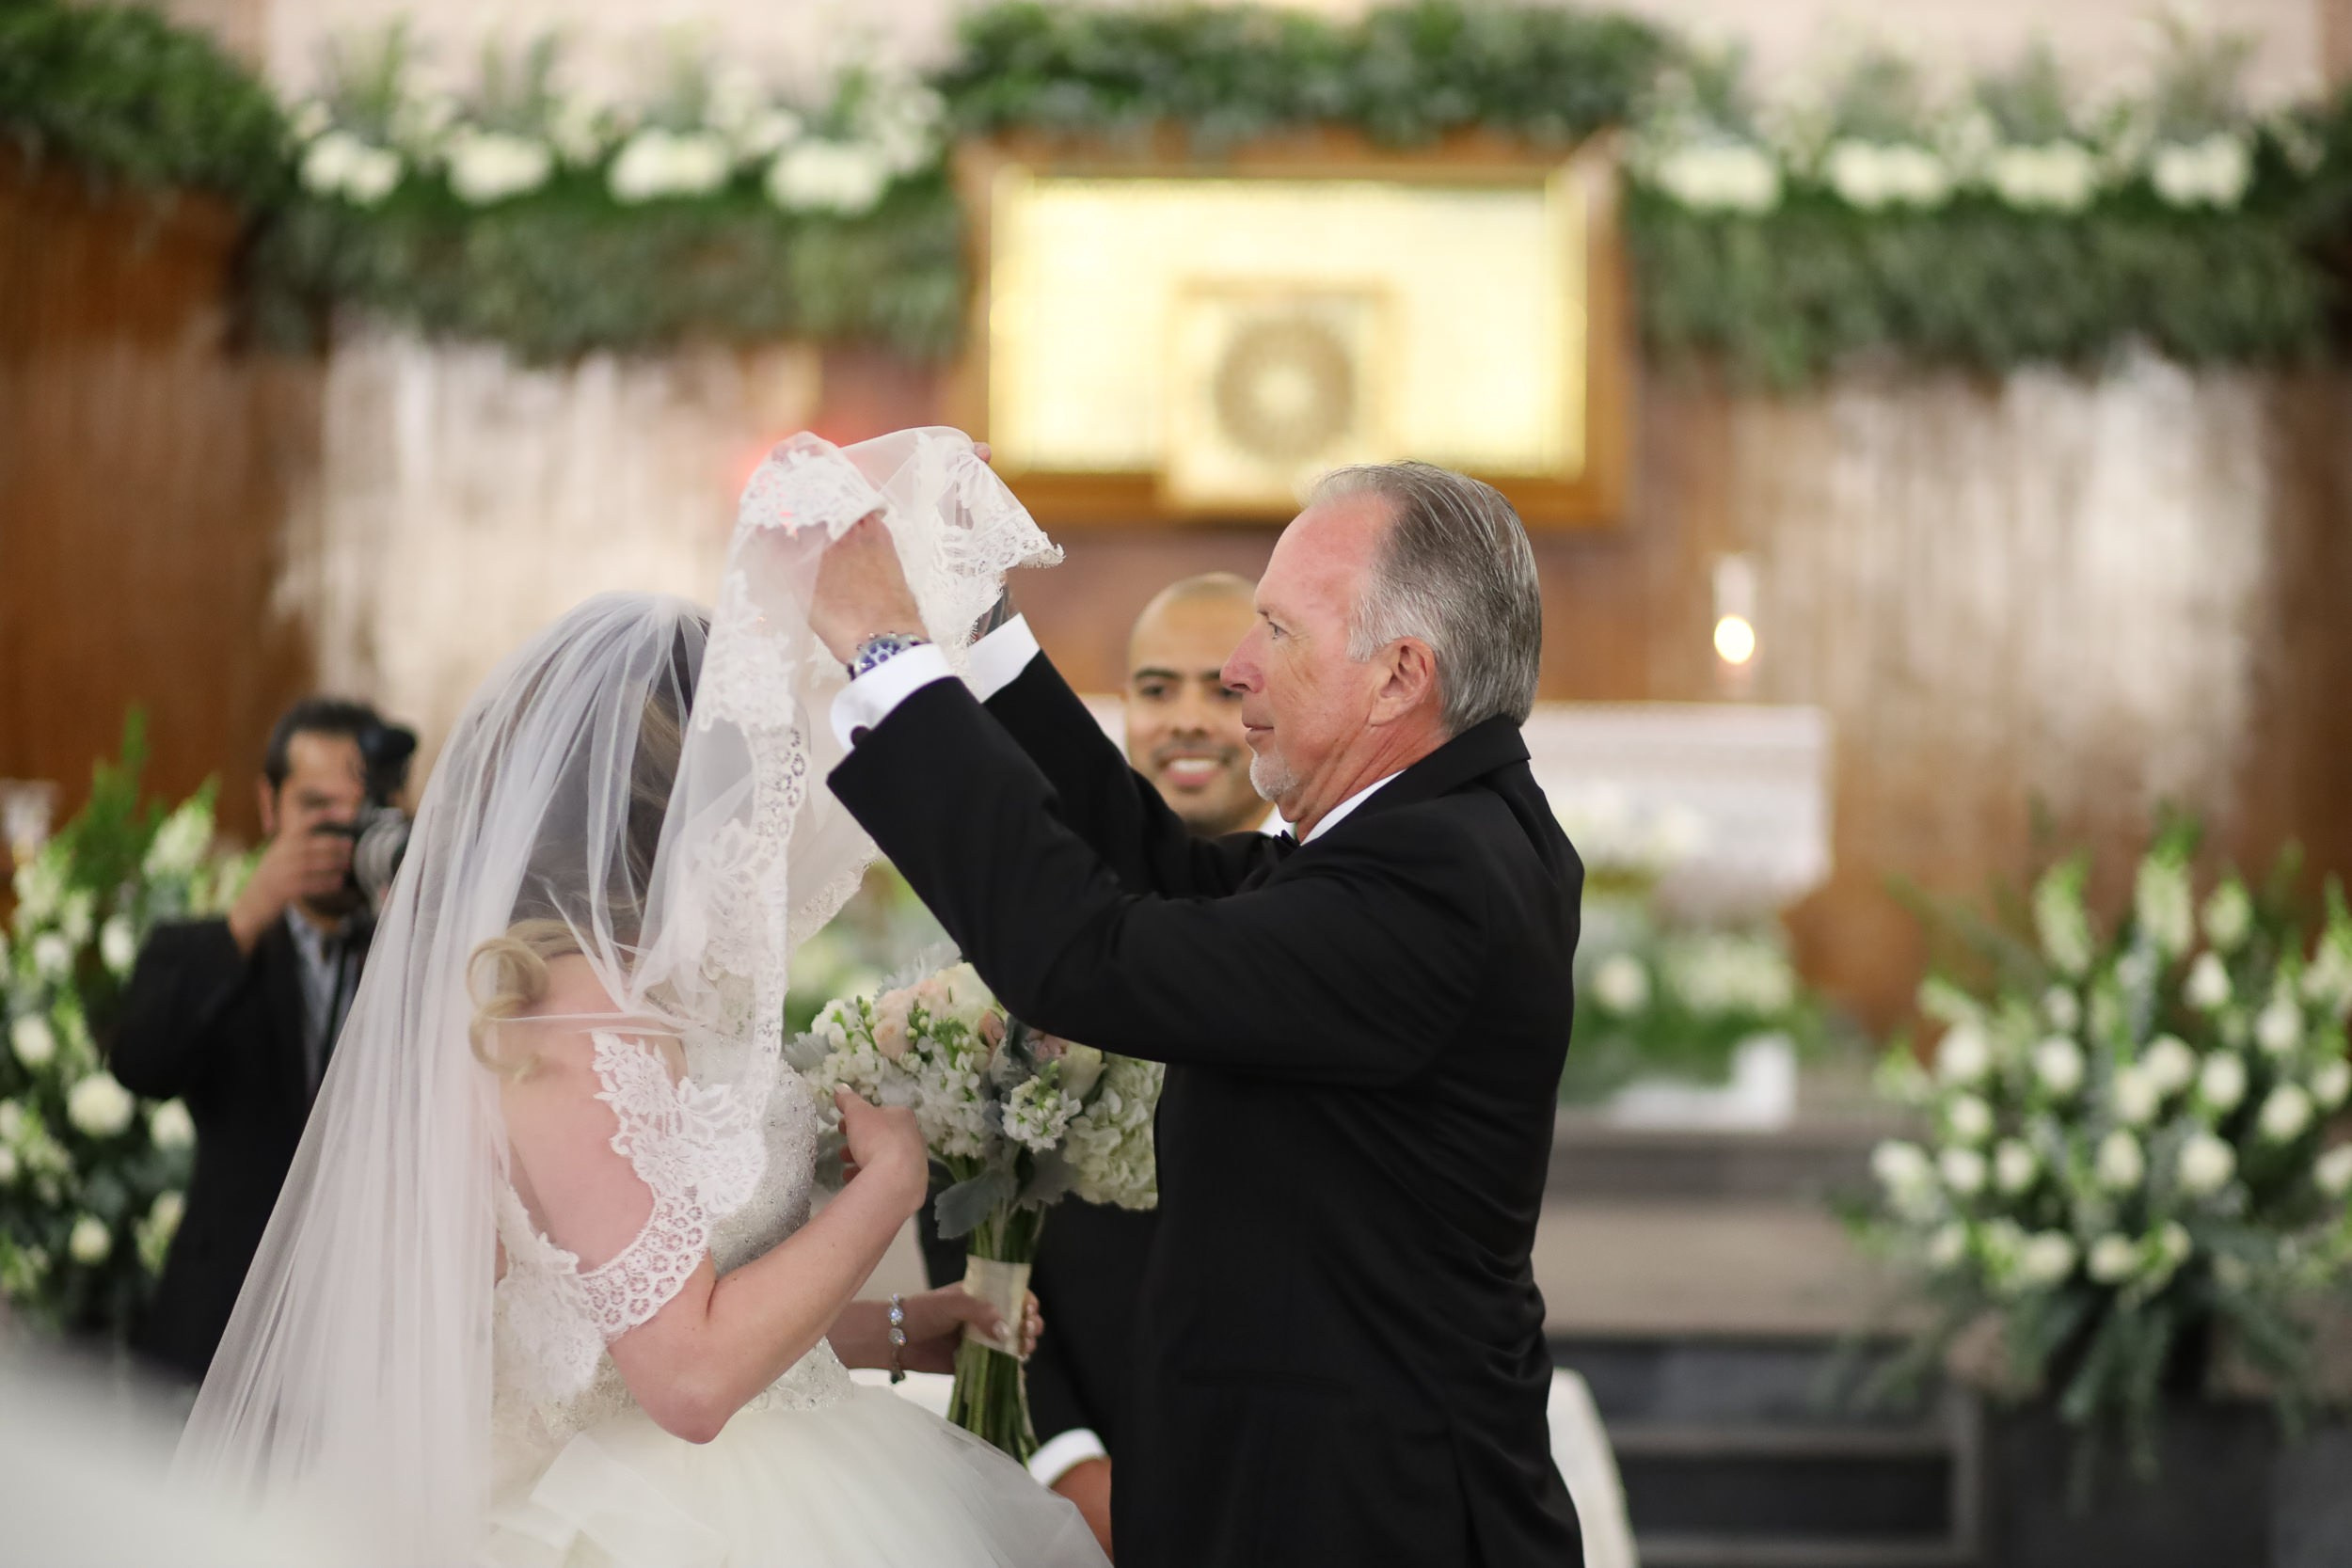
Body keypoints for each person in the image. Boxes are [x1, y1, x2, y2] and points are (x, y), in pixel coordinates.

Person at [176, 429, 1104, 1568]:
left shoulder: (655, 998)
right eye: (747, 788)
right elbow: (687, 1374)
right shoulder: (562, 1022)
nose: (764, 828)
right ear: (675, 811)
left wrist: (916, 1324)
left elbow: (653, 1308)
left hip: (749, 1472)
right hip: (619, 1520)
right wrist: (892, 1183)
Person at [814, 453, 1586, 1566]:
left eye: (1276, 631)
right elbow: (1156, 871)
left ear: (1397, 674)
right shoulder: (1437, 827)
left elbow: (1086, 956)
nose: (1236, 670)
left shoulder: (1435, 878)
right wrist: (976, 620)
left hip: (1363, 1513)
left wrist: (889, 659)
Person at [916, 571, 1263, 1556]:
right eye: (1156, 689)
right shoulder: (1040, 921)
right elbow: (963, 1188)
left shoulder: (1334, 908)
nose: (1187, 720)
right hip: (1061, 1451)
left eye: (1225, 688)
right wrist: (1063, 1451)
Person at [111, 699, 407, 1381]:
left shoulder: (415, 954)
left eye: (359, 813)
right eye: (317, 808)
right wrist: (248, 914)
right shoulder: (199, 948)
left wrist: (413, 937)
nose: (339, 834)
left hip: (366, 1336)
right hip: (221, 1319)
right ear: (269, 806)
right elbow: (141, 1062)